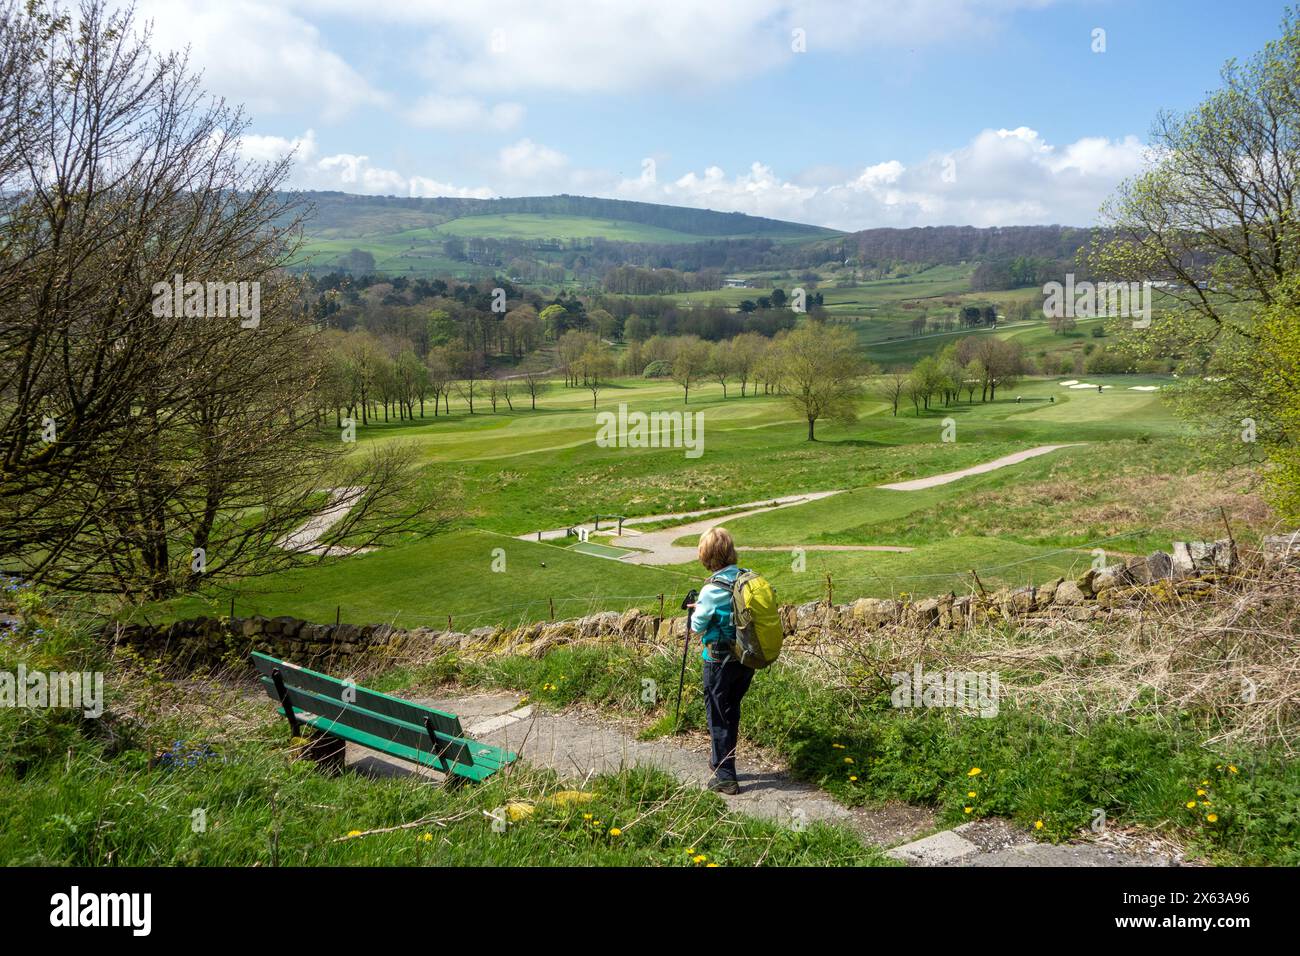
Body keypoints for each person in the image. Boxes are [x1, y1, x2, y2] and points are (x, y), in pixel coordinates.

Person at [688, 527, 754, 795]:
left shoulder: (712, 588)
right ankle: (723, 761)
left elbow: (698, 625)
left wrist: (695, 611)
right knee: (731, 710)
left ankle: (725, 775)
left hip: (718, 660)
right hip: (746, 659)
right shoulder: (744, 577)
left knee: (717, 713)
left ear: (707, 556)